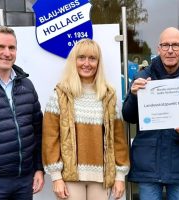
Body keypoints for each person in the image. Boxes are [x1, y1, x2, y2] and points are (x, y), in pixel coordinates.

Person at [122, 27, 179, 200]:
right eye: (165, 45)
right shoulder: (143, 78)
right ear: (158, 49)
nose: (170, 50)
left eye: (175, 45)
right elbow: (128, 117)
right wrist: (134, 96)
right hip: (149, 165)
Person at [42, 39, 130, 200]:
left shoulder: (108, 95)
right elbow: (50, 138)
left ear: (98, 62)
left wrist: (119, 176)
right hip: (70, 177)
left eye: (92, 58)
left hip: (102, 178)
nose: (87, 63)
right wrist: (56, 177)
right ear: (74, 61)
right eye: (81, 57)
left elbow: (119, 140)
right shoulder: (60, 94)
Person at [0, 25, 44, 200]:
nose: (7, 53)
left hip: (24, 181)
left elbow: (38, 131)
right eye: (0, 47)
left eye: (11, 48)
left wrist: (38, 168)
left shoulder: (26, 85)